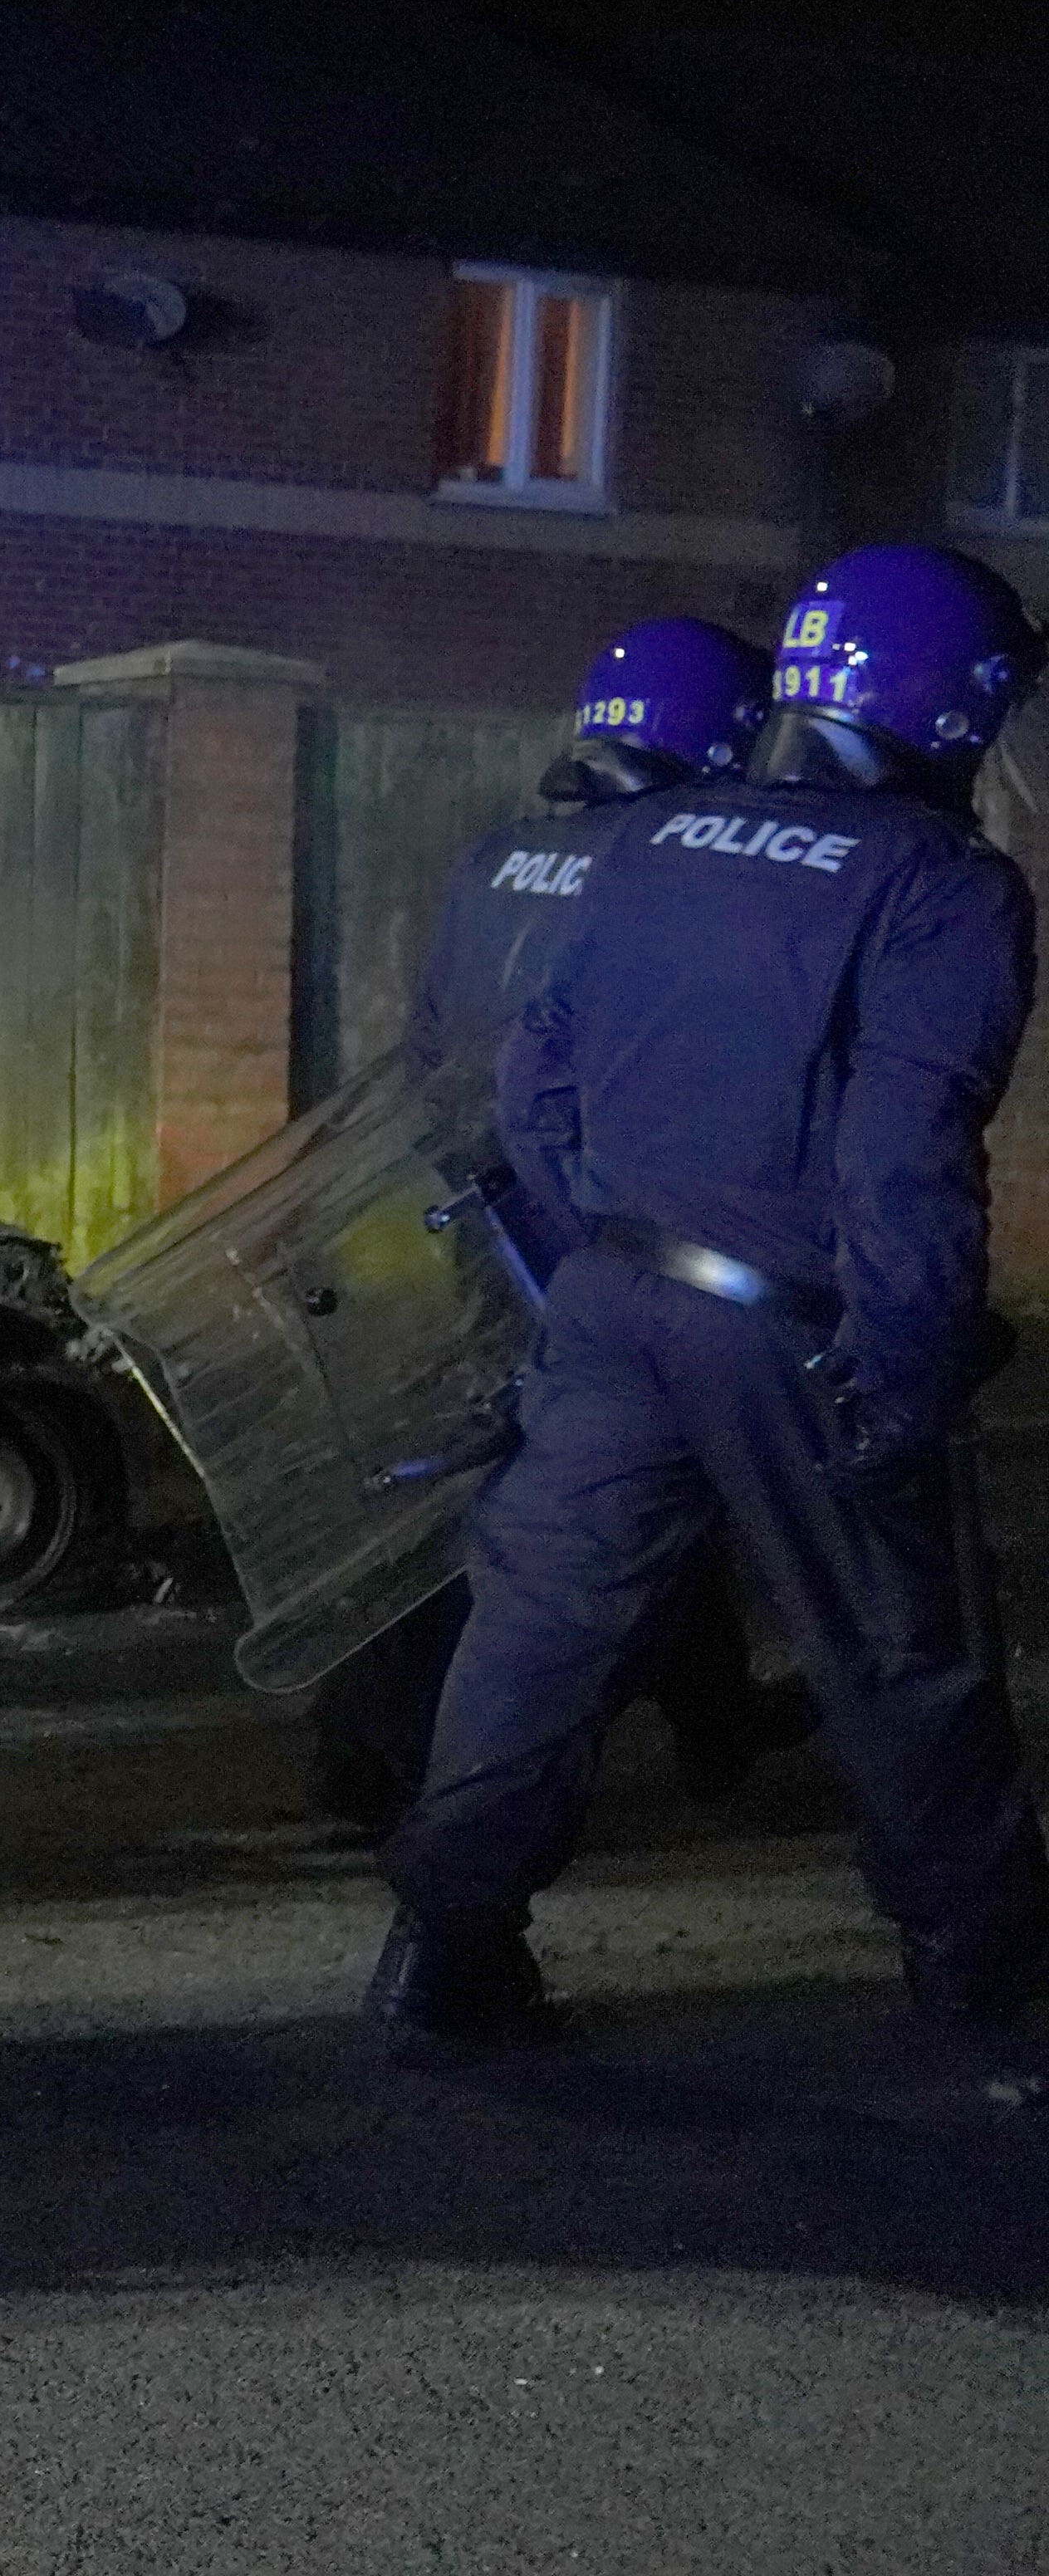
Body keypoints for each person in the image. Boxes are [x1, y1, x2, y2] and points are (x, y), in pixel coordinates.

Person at [380, 541, 1048, 2101]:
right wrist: (915, 1360)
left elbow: (527, 1087)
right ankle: (993, 1989)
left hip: (612, 1307)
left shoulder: (653, 836)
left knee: (537, 1639)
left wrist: (591, 1255)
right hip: (792, 1329)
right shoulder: (942, 889)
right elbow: (905, 1161)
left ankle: (444, 1953)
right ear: (951, 704)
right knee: (900, 1651)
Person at [307, 618, 809, 1832]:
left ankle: (707, 1718)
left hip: (485, 1232)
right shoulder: (680, 871)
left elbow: (431, 1059)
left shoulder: (499, 862)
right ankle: (413, 1774)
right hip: (615, 1240)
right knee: (600, 1502)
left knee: (592, 1489)